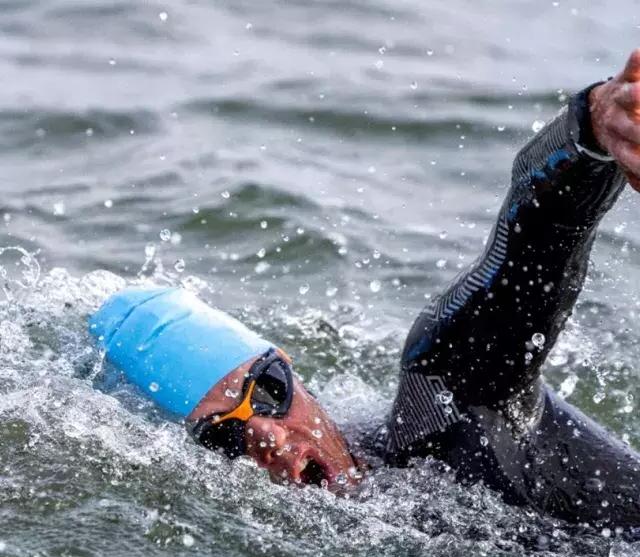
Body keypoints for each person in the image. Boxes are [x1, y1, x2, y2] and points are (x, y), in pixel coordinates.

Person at [90, 50, 640, 528]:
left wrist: (593, 131)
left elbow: (532, 246)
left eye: (268, 393)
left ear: (290, 369)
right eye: (223, 439)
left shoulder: (444, 402)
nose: (271, 440)